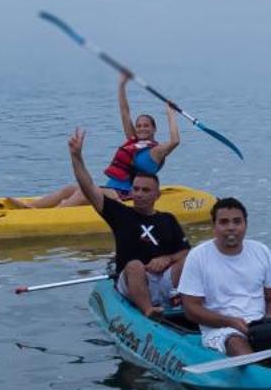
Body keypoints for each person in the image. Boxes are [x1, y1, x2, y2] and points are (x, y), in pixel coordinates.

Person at [176, 197, 271, 370]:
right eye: (224, 222)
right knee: (236, 342)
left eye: (237, 221)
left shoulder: (260, 251)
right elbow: (191, 309)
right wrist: (229, 321)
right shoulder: (198, 256)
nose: (231, 228)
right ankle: (267, 377)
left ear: (245, 224)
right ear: (214, 226)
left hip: (261, 324)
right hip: (220, 329)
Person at [16, 72, 182, 209]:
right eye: (139, 125)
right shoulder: (133, 141)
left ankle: (51, 215)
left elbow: (175, 141)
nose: (141, 128)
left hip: (126, 195)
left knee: (83, 192)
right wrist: (122, 84)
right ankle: (32, 207)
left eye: (146, 126)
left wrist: (170, 113)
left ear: (154, 129)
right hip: (111, 189)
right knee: (70, 189)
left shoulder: (156, 151)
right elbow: (125, 112)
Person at [67, 126, 188, 315]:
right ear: (131, 192)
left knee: (187, 263)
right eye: (136, 189)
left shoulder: (167, 219)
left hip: (160, 278)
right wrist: (76, 157)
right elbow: (88, 187)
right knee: (135, 265)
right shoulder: (120, 213)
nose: (139, 194)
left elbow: (185, 253)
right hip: (131, 279)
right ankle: (148, 310)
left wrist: (167, 259)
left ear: (157, 195)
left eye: (145, 190)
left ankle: (188, 305)